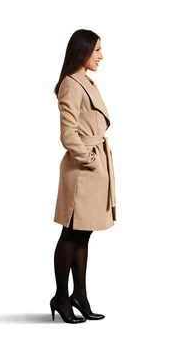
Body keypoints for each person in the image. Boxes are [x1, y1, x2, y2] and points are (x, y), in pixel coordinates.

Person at [50, 29, 117, 324]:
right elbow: (68, 134)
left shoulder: (86, 82)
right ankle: (61, 297)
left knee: (83, 235)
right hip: (82, 171)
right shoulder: (72, 85)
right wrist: (88, 158)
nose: (101, 56)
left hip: (93, 168)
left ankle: (80, 295)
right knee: (71, 234)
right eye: (97, 50)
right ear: (83, 51)